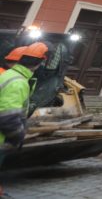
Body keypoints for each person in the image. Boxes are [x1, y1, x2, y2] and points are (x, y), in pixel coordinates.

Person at [0, 42, 47, 198]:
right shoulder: (18, 82)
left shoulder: (8, 75)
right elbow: (8, 117)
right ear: (38, 64)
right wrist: (18, 136)